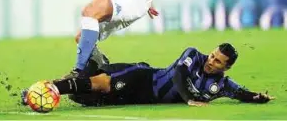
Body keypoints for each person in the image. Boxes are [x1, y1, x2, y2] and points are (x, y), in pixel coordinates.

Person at [22, 43, 274, 107]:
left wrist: (259, 98)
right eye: (212, 55)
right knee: (101, 84)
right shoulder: (193, 55)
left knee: (82, 99)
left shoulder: (223, 85)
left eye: (218, 61)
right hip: (144, 77)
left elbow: (241, 93)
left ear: (226, 68)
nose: (211, 61)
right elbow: (179, 73)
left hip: (142, 98)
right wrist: (189, 98)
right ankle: (41, 90)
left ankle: (98, 62)